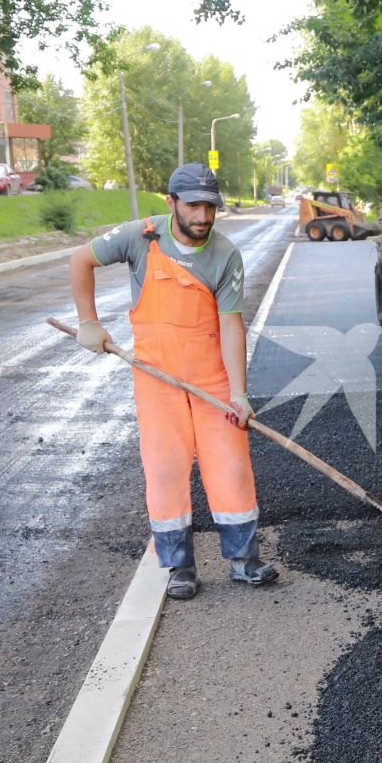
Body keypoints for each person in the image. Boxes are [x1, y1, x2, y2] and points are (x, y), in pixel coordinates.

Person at [68, 163, 280, 601]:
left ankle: (243, 560)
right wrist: (88, 322)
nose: (202, 216)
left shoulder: (224, 255)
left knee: (231, 467)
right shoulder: (140, 237)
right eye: (193, 206)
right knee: (165, 471)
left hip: (212, 378)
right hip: (156, 379)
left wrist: (238, 393)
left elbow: (231, 326)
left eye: (210, 207)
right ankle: (179, 568)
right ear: (171, 203)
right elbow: (80, 260)